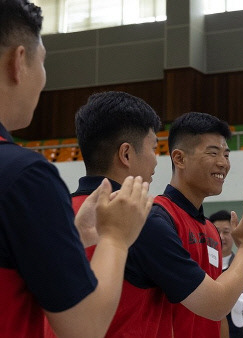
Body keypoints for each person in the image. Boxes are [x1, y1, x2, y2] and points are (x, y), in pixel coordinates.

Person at [0, 0, 153, 336]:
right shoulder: (25, 175)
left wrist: (79, 239)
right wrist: (115, 239)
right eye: (42, 63)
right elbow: (83, 328)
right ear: (19, 61)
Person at [43, 90, 166, 337]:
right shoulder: (148, 220)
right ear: (126, 154)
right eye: (154, 148)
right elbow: (212, 305)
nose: (156, 161)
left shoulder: (50, 215)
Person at [142, 111, 243, 337]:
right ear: (179, 158)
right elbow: (215, 305)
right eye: (213, 153)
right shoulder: (157, 219)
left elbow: (219, 315)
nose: (223, 163)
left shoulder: (210, 229)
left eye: (226, 154)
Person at [210, 210, 243, 338]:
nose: (221, 237)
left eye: (226, 232)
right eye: (217, 232)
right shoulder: (203, 266)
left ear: (234, 234)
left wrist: (238, 302)